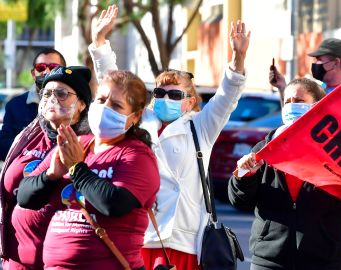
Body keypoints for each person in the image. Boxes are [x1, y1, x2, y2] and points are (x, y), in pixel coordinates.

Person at [88, 5, 250, 270]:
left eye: (175, 95)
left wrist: (238, 56)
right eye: (159, 93)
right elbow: (114, 85)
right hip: (140, 233)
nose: (165, 99)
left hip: (183, 240)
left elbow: (227, 96)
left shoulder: (201, 126)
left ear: (190, 102)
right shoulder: (139, 120)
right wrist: (100, 42)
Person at [17, 70, 160, 269]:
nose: (104, 108)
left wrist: (76, 168)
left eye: (116, 105)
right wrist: (51, 175)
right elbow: (25, 197)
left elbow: (114, 204)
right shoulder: (76, 144)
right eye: (101, 100)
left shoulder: (137, 155)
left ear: (135, 117)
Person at [229, 78, 341, 270]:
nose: (292, 106)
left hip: (324, 260)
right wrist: (244, 176)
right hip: (270, 259)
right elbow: (239, 201)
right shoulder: (264, 149)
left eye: (299, 101)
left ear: (318, 106)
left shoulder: (337, 152)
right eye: (288, 102)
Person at [0, 65, 91, 269]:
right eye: (47, 93)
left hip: (61, 262)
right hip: (15, 259)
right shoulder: (27, 137)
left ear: (81, 105)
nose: (52, 98)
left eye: (62, 93)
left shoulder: (89, 143)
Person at [0, 48, 66, 160]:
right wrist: (33, 150)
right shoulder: (15, 106)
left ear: (64, 71)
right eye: (41, 68)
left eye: (53, 67)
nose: (46, 72)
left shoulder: (74, 103)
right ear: (33, 74)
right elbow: (3, 146)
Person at [270, 38, 341, 104]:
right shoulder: (318, 90)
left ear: (336, 62)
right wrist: (282, 87)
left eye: (319, 59)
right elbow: (294, 122)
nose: (315, 63)